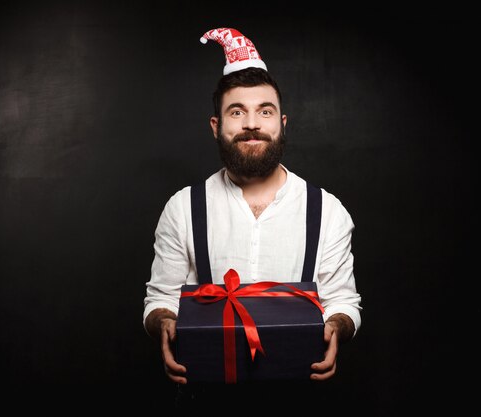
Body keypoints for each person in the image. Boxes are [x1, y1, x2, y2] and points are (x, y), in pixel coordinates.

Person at [143, 28, 362, 407]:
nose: (251, 124)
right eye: (236, 112)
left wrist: (336, 328)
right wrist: (163, 323)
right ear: (217, 127)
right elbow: (161, 298)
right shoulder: (182, 208)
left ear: (282, 123)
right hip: (208, 395)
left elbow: (343, 301)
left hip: (299, 396)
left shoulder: (327, 210)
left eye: (265, 111)